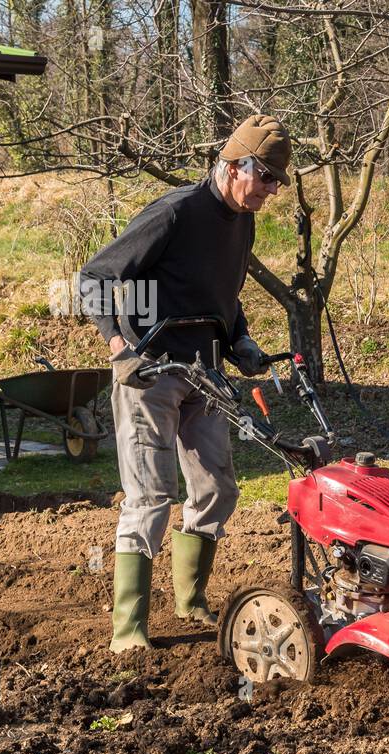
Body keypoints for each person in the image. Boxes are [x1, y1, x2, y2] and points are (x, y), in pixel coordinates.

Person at [81, 114, 291, 652]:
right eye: (267, 177)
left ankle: (189, 600)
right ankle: (128, 631)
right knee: (152, 495)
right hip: (149, 371)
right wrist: (119, 347)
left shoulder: (242, 219)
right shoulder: (174, 213)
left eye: (278, 182)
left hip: (206, 372)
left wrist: (240, 340)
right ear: (234, 165)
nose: (271, 191)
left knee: (217, 488)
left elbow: (224, 294)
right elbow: (95, 278)